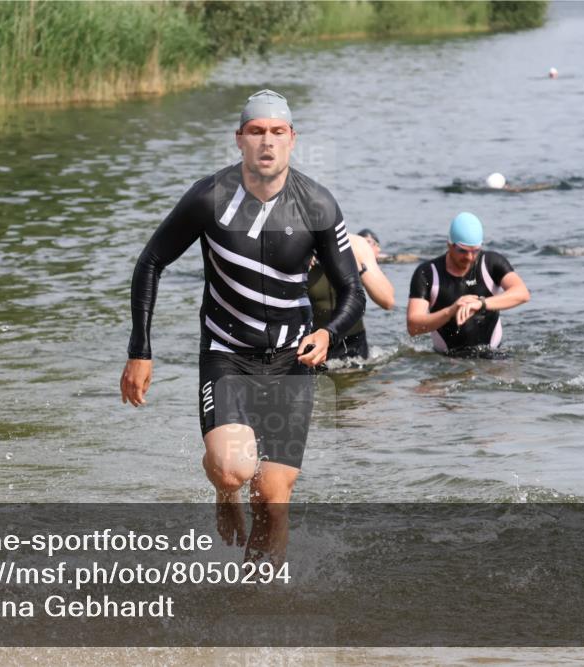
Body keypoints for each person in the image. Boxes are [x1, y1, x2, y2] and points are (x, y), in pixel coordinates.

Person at [120, 89, 365, 560]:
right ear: (239, 140)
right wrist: (140, 351)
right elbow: (151, 261)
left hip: (292, 361)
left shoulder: (318, 205)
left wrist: (327, 333)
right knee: (234, 470)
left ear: (293, 138)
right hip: (227, 355)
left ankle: (253, 601)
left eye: (277, 132)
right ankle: (224, 490)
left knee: (272, 500)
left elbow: (351, 290)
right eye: (256, 132)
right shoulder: (210, 197)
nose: (266, 142)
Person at [407, 212, 530, 355]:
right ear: (449, 245)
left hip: (493, 356)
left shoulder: (491, 263)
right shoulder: (428, 273)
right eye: (463, 251)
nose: (470, 257)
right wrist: (450, 311)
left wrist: (481, 304)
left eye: (475, 251)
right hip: (446, 360)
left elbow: (522, 293)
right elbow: (413, 326)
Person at [308, 228, 394, 362]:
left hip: (354, 342)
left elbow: (387, 301)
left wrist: (357, 266)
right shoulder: (295, 246)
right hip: (311, 340)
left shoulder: (356, 244)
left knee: (357, 381)